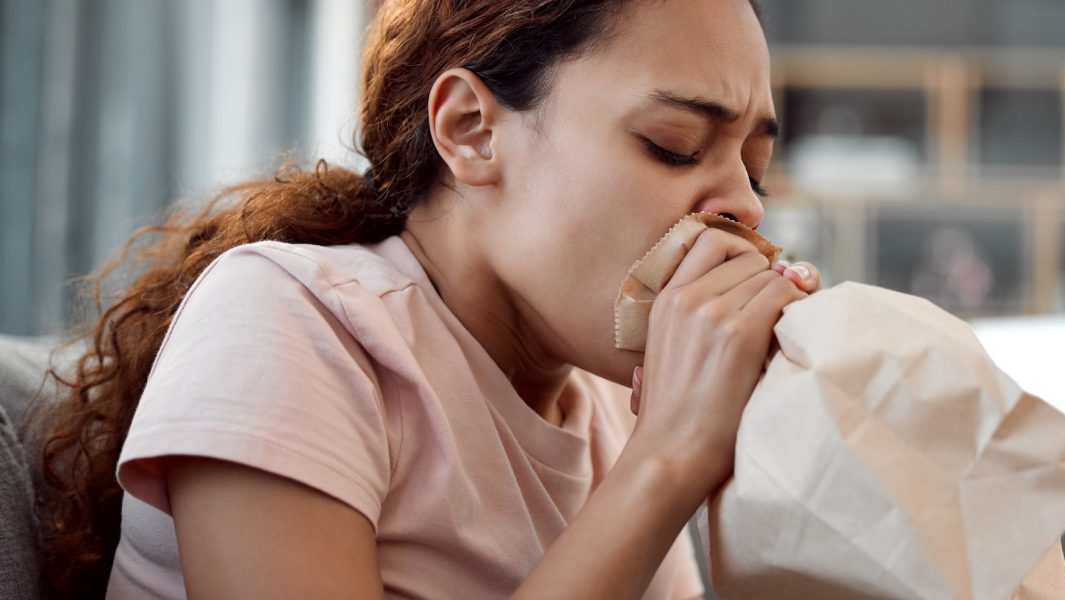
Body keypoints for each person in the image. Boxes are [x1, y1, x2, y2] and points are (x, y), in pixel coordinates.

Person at [34, 0, 822, 597]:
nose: (746, 209)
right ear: (472, 130)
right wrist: (669, 460)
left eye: (754, 171)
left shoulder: (613, 409)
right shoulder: (293, 321)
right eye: (675, 146)